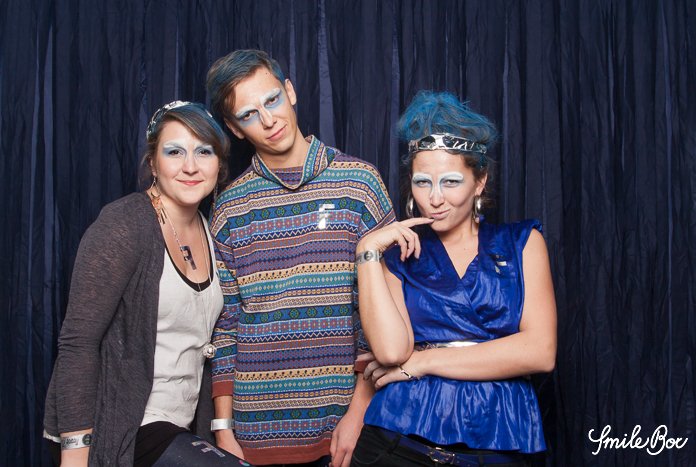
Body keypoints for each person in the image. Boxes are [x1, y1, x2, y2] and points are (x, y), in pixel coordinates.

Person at [206, 49, 396, 466]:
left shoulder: (360, 183)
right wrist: (223, 429)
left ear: (290, 92)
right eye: (249, 114)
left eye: (272, 100)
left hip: (346, 426)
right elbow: (227, 325)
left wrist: (360, 411)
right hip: (255, 434)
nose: (269, 120)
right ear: (235, 129)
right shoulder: (230, 208)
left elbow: (387, 309)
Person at [351, 91, 557, 466]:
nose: (434, 198)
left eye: (450, 182)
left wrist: (423, 361)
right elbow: (392, 353)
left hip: (499, 440)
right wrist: (366, 251)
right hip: (398, 443)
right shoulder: (397, 257)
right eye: (422, 182)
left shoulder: (523, 243)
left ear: (480, 182)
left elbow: (539, 352)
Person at [43, 101, 251, 466]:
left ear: (219, 164)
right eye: (175, 152)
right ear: (153, 163)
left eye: (204, 151)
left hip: (179, 427)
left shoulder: (211, 230)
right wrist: (75, 456)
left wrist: (222, 429)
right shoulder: (124, 224)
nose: (190, 166)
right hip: (120, 426)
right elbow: (78, 343)